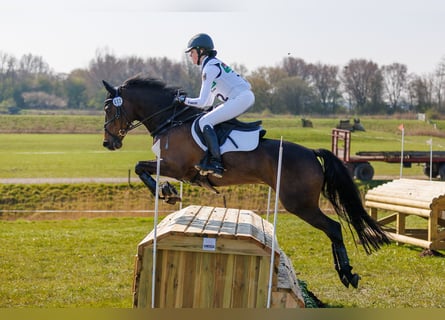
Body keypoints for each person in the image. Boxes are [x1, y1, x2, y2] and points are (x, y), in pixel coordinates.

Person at [177, 33, 255, 178]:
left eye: (192, 52)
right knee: (207, 118)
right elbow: (207, 103)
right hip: (242, 98)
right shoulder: (211, 65)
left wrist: (184, 100)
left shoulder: (209, 68)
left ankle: (216, 162)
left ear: (201, 51)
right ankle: (213, 155)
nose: (190, 56)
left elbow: (201, 102)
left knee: (204, 121)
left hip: (241, 98)